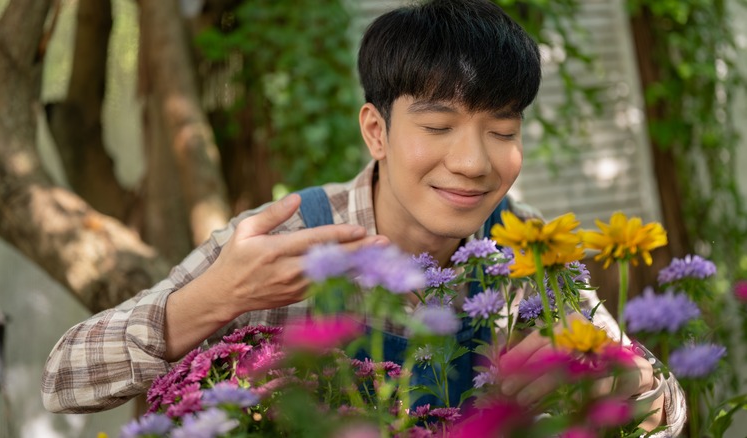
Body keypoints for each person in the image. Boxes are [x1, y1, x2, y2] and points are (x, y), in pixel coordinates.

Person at [42, 0, 685, 434]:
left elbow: (673, 415)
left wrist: (626, 379)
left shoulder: (529, 245)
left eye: (502, 131)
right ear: (375, 130)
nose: (472, 162)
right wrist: (210, 301)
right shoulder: (283, 242)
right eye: (438, 125)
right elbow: (63, 380)